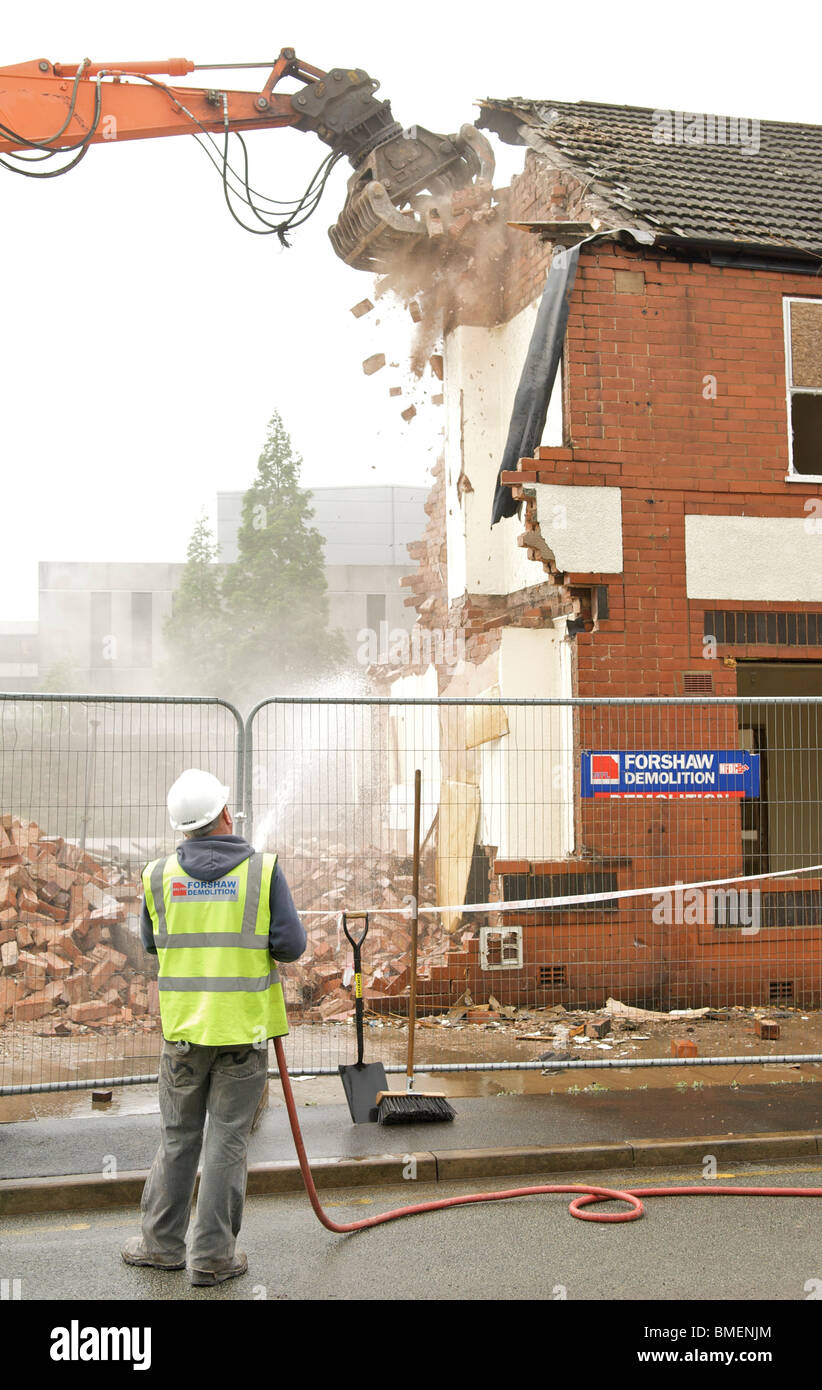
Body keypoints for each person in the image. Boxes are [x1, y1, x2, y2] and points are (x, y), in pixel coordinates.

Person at [121, 768, 306, 1287]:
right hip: (242, 1036)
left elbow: (154, 945)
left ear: (182, 828)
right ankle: (213, 1257)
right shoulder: (263, 872)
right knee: (227, 1141)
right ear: (226, 813)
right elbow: (291, 946)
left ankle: (160, 1246)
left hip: (182, 1035)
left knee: (178, 1137)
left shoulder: (158, 876)